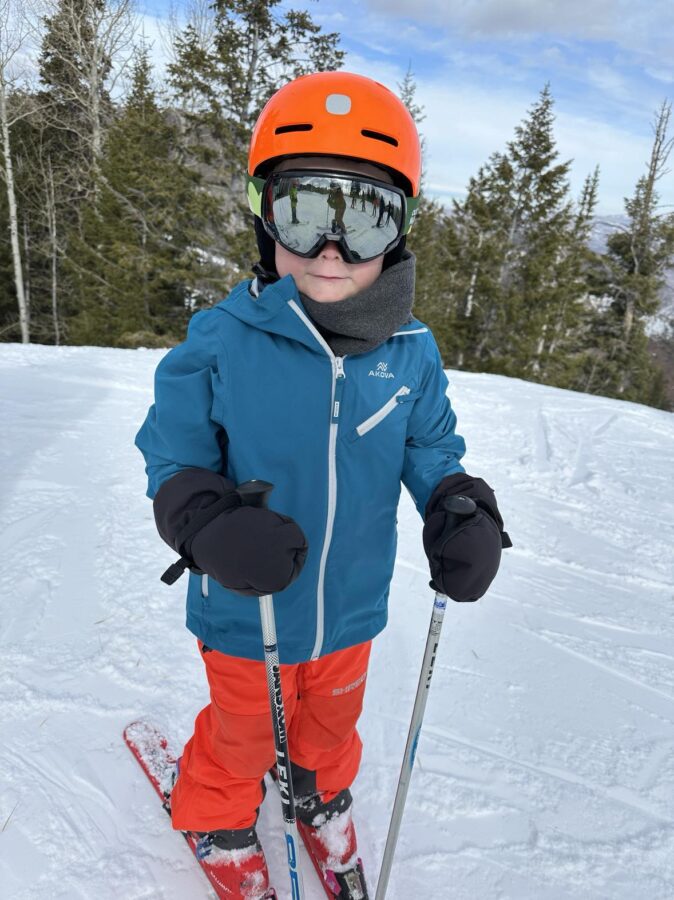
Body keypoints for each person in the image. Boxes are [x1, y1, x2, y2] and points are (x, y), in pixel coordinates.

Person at [135, 71, 511, 900]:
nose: (331, 249)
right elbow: (171, 453)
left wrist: (458, 501)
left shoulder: (411, 350)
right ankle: (214, 810)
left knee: (329, 726)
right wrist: (205, 520)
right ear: (264, 213)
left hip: (350, 608)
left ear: (400, 229)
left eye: (366, 216)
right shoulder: (222, 342)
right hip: (247, 608)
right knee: (241, 737)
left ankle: (312, 785)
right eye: (305, 213)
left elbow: (430, 442)